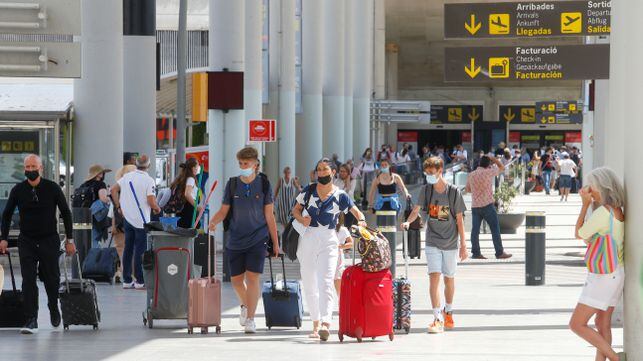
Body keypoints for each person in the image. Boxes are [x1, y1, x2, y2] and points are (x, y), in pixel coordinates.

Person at [292, 158, 367, 341]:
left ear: (333, 172)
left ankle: (326, 323)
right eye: (319, 169)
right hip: (308, 237)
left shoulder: (340, 195)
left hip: (329, 238)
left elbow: (356, 212)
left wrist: (362, 222)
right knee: (309, 282)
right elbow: (295, 210)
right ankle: (315, 322)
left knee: (326, 281)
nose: (322, 173)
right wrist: (302, 219)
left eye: (326, 169)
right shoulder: (308, 191)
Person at [208, 146, 279, 334]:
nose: (242, 166)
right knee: (237, 281)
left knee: (253, 278)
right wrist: (213, 221)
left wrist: (276, 243)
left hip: (258, 238)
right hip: (236, 238)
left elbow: (269, 215)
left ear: (255, 164)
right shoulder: (232, 184)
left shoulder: (264, 184)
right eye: (240, 163)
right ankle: (245, 306)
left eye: (246, 163)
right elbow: (224, 211)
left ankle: (250, 319)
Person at [0, 154, 75, 334]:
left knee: (51, 277)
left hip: (49, 239)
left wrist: (70, 240)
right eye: (28, 167)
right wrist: (3, 237)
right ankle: (31, 318)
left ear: (41, 168)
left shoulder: (52, 188)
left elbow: (65, 213)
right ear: (24, 169)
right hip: (27, 240)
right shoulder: (18, 190)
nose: (31, 170)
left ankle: (53, 306)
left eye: (34, 166)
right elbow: (6, 214)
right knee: (28, 280)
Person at [401, 157, 468, 334]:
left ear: (440, 171)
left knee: (449, 279)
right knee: (434, 277)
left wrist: (463, 245)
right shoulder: (426, 190)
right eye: (427, 173)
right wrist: (408, 222)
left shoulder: (453, 192)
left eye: (431, 173)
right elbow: (416, 210)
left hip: (451, 242)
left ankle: (449, 311)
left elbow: (459, 220)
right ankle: (437, 318)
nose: (429, 176)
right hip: (432, 241)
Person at [569, 167, 626, 361]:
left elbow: (579, 233)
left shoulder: (603, 212)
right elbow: (592, 239)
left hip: (602, 276)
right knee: (602, 323)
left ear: (601, 187)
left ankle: (616, 359)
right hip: (616, 272)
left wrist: (585, 205)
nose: (587, 188)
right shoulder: (618, 211)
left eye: (590, 184)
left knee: (576, 324)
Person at [110, 155, 160, 290]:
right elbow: (151, 200)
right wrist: (156, 208)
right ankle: (139, 280)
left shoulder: (126, 177)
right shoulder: (149, 180)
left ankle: (127, 280)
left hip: (128, 218)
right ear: (148, 166)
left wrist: (118, 206)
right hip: (142, 220)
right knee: (140, 250)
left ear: (136, 165)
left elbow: (113, 190)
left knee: (128, 248)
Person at [466, 155, 513, 260]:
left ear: (479, 164)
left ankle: (476, 253)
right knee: (495, 228)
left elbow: (468, 189)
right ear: (488, 165)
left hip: (475, 206)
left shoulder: (471, 175)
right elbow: (502, 167)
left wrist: (476, 189)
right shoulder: (489, 172)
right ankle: (499, 252)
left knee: (475, 231)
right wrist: (494, 159)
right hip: (487, 205)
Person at [108, 164, 136, 283]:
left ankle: (122, 272)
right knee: (134, 250)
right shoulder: (135, 191)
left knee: (121, 250)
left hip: (119, 226)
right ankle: (131, 274)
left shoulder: (116, 192)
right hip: (133, 224)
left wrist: (113, 226)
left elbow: (112, 212)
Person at [168, 157, 203, 228]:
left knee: (183, 230)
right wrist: (197, 207)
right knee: (191, 229)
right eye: (197, 166)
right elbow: (187, 194)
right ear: (193, 168)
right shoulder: (190, 179)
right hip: (189, 210)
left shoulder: (182, 178)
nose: (198, 168)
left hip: (182, 209)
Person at [333, 213, 353, 301]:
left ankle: (341, 305)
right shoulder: (324, 229)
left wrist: (340, 246)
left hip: (338, 259)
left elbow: (351, 243)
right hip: (324, 257)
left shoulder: (343, 229)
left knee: (338, 283)